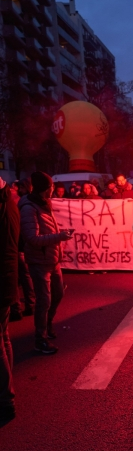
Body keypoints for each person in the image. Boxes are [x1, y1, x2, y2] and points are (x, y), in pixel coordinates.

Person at [19, 171, 72, 354]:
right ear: (44, 188)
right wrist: (59, 237)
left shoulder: (44, 204)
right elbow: (32, 238)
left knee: (58, 294)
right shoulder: (29, 208)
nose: (53, 191)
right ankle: (39, 339)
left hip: (52, 259)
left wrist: (58, 241)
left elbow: (47, 229)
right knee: (44, 300)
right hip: (39, 262)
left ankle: (48, 325)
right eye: (50, 187)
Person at [0, 177, 19, 422]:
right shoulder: (11, 205)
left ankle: (5, 400)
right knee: (3, 337)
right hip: (6, 280)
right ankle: (8, 389)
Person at [9, 179, 35, 321]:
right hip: (22, 244)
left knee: (13, 277)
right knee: (25, 275)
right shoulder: (27, 202)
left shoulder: (14, 202)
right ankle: (30, 304)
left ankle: (16, 308)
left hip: (13, 244)